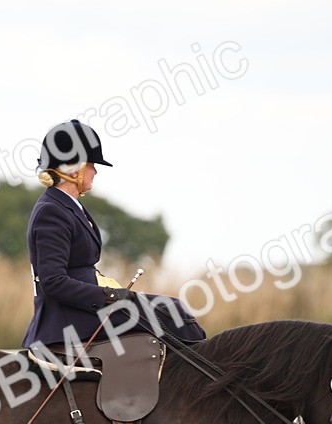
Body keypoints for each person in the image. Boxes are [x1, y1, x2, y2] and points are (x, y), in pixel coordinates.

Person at [20, 119, 204, 354]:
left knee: (174, 310)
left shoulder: (68, 206)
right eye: (91, 165)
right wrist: (108, 295)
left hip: (88, 308)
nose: (95, 171)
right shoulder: (51, 211)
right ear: (74, 168)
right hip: (68, 318)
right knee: (174, 316)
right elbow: (52, 281)